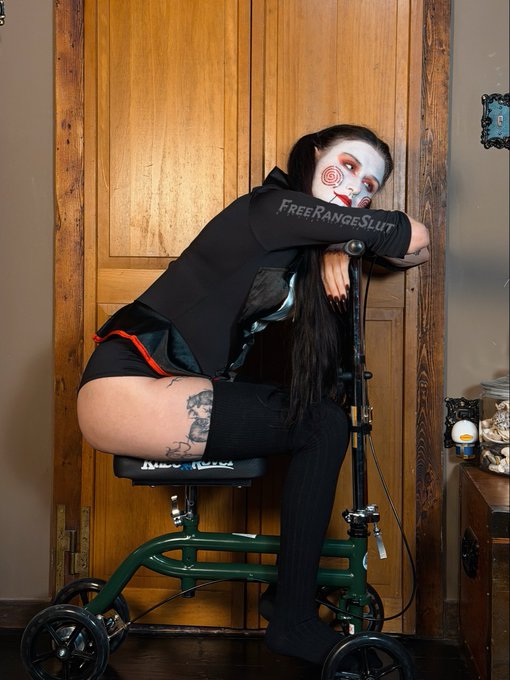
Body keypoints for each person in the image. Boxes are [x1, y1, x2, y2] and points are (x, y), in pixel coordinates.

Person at [77, 124, 429, 665]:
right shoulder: (273, 208)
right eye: (348, 166)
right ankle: (291, 619)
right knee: (323, 424)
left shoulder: (299, 233)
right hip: (125, 388)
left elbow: (415, 253)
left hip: (161, 391)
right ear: (315, 155)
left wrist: (337, 243)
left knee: (322, 415)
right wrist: (343, 238)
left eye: (369, 187)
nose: (355, 188)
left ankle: (288, 598)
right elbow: (410, 235)